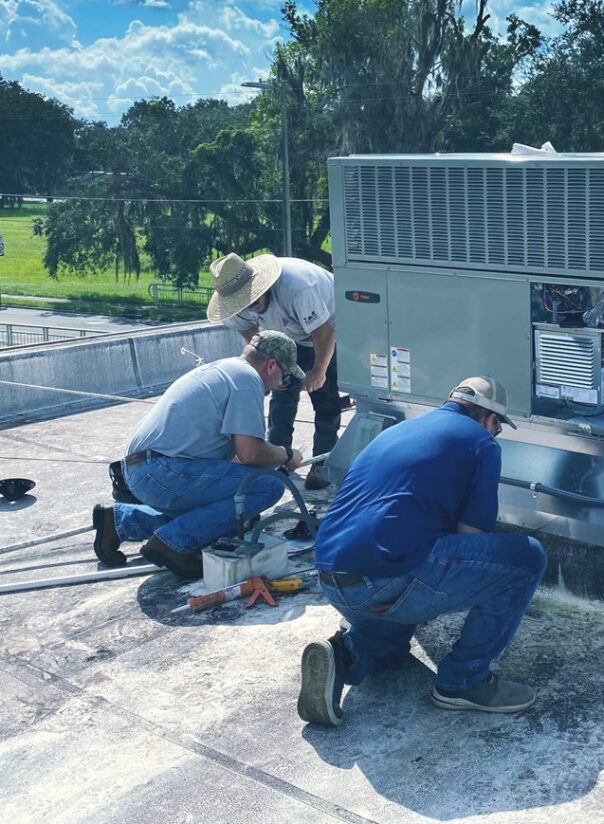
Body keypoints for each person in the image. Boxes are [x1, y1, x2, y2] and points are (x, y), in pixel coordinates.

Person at [297, 376, 547, 726]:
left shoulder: (400, 431)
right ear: (489, 418)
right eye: (497, 427)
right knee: (527, 558)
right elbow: (470, 538)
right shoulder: (481, 444)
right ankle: (464, 681)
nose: (495, 434)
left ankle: (344, 657)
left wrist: (423, 590)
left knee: (394, 646)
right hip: (386, 576)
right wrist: (433, 592)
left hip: (332, 576)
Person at [91, 331, 306, 579]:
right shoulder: (247, 381)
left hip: (146, 470)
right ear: (271, 366)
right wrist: (287, 455)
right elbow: (251, 453)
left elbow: (234, 461)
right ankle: (172, 544)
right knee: (267, 487)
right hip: (162, 471)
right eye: (285, 375)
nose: (280, 384)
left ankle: (120, 521)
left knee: (228, 515)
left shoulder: (227, 370)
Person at [206, 252, 350, 490]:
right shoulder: (234, 303)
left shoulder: (297, 287)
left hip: (327, 331)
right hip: (285, 336)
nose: (250, 305)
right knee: (282, 397)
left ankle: (322, 463)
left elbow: (324, 332)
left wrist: (318, 371)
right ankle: (278, 460)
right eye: (244, 302)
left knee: (325, 399)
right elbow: (251, 335)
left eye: (253, 297)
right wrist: (266, 370)